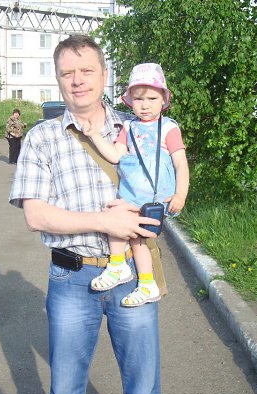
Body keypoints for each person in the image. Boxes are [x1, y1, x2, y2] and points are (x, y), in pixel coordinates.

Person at [9, 35, 162, 394]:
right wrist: (103, 220)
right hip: (71, 278)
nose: (77, 80)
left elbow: (164, 188)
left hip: (132, 277)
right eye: (67, 73)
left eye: (87, 70)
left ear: (104, 75)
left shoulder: (137, 130)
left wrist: (157, 209)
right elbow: (35, 216)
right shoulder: (41, 137)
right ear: (58, 79)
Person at [83, 63, 189, 307]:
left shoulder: (169, 128)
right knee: (123, 226)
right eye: (139, 99)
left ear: (163, 99)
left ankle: (127, 272)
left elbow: (180, 163)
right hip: (131, 193)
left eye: (152, 98)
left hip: (155, 196)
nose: (145, 105)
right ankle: (136, 276)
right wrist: (94, 135)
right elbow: (115, 155)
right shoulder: (128, 127)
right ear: (130, 101)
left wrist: (180, 194)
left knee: (136, 236)